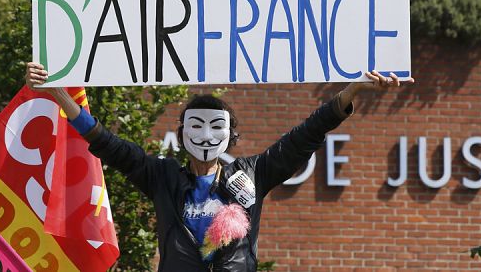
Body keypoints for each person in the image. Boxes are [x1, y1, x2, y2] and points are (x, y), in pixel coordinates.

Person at [26, 62, 410, 272]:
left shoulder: (253, 174)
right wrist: (59, 94)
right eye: (196, 126)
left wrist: (351, 92)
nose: (206, 136)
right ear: (182, 134)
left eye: (216, 127)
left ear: (231, 136)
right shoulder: (163, 178)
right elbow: (109, 145)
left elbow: (305, 135)